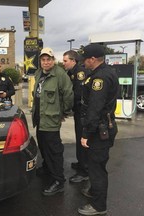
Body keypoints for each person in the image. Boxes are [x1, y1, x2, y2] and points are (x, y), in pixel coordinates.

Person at [77, 44, 119, 215]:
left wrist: (86, 134)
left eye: (85, 59)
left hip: (99, 130)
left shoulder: (100, 78)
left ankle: (98, 206)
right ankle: (94, 191)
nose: (83, 62)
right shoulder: (104, 72)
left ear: (92, 59)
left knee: (97, 169)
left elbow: (94, 109)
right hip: (101, 127)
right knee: (96, 165)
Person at [32, 47, 73, 196]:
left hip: (51, 119)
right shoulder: (39, 73)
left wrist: (63, 112)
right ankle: (47, 168)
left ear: (53, 60)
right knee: (42, 146)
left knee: (54, 150)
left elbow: (68, 96)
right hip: (40, 118)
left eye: (48, 59)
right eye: (43, 60)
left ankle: (58, 180)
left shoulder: (60, 75)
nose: (46, 62)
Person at [63, 50, 90, 184]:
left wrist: (66, 108)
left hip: (82, 112)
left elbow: (77, 95)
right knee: (79, 138)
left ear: (73, 61)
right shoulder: (71, 72)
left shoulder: (79, 73)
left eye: (65, 61)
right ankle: (81, 163)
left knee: (82, 140)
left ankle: (84, 171)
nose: (63, 63)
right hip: (78, 112)